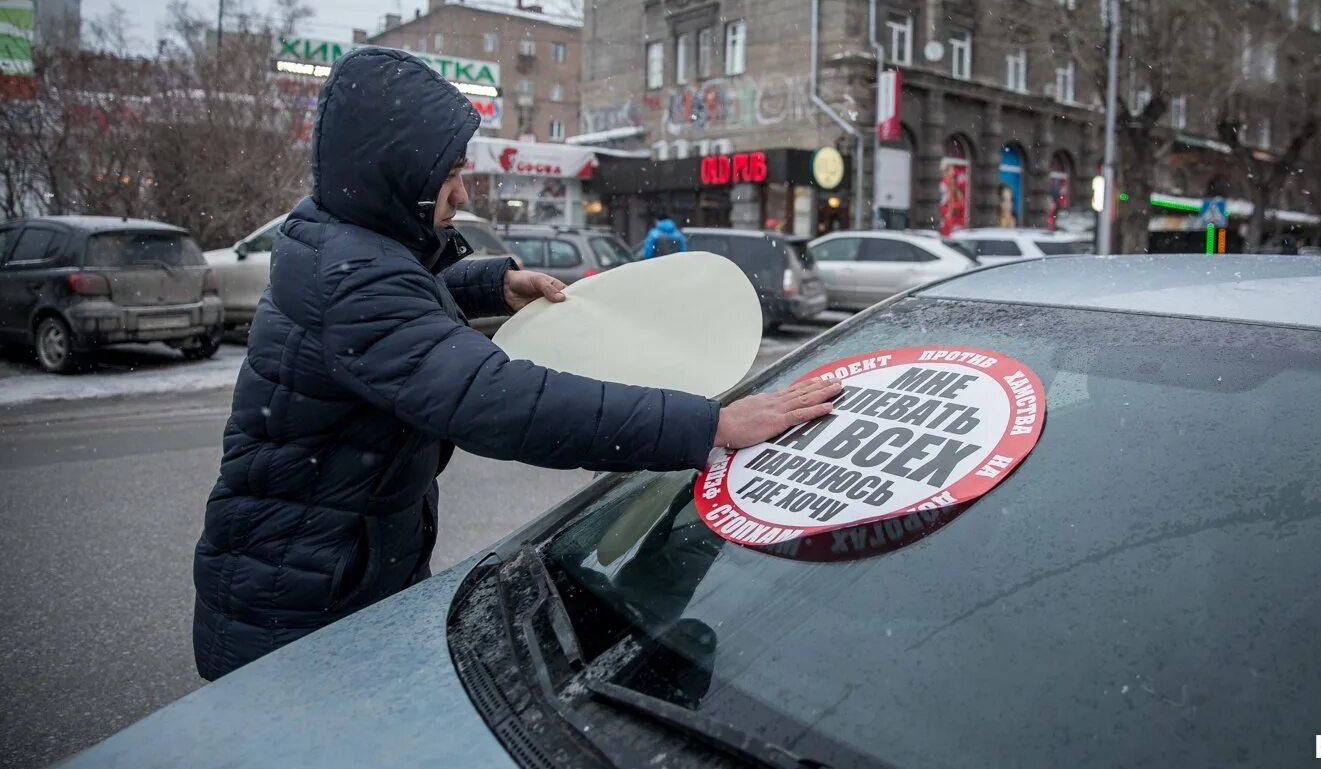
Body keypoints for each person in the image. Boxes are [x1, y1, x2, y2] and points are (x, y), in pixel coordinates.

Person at [192, 48, 839, 680]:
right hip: (296, 608)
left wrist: (487, 285)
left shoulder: (345, 239)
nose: (461, 190)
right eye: (447, 174)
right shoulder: (355, 283)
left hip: (321, 573)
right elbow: (504, 402)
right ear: (397, 176)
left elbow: (408, 291)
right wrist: (706, 426)